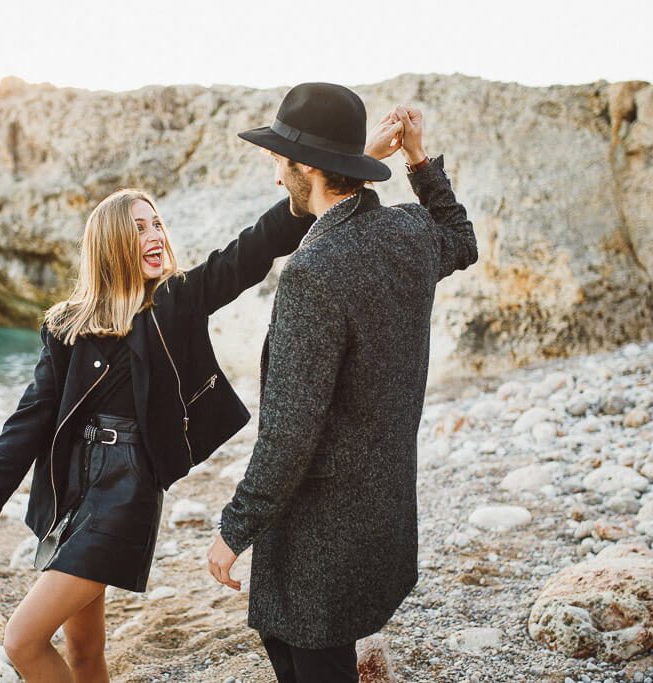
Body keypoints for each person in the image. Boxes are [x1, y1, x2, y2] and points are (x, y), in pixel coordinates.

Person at [0, 111, 404, 682]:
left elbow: (256, 245)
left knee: (22, 641)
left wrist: (347, 164)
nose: (155, 236)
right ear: (111, 244)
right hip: (70, 489)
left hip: (125, 491)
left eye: (156, 224)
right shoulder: (67, 324)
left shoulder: (174, 302)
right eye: (138, 228)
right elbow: (33, 414)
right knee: (85, 651)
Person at [206, 82, 478, 682]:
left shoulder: (313, 272)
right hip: (380, 508)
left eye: (280, 161)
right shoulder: (408, 232)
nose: (276, 176)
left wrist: (235, 528)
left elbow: (290, 431)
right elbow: (461, 238)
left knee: (310, 659)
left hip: (318, 528)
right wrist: (418, 160)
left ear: (307, 167)